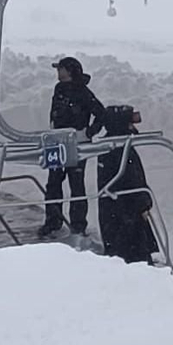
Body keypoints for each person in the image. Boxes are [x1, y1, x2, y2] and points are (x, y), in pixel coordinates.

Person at [38, 55, 104, 240]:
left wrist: (89, 132)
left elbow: (101, 113)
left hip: (77, 143)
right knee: (53, 183)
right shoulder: (58, 88)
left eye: (61, 69)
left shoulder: (83, 92)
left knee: (76, 184)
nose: (58, 72)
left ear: (70, 71)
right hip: (56, 141)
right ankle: (53, 221)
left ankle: (78, 225)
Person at [96, 104, 158, 264]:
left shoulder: (111, 146)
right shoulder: (120, 149)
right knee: (133, 255)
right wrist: (143, 203)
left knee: (120, 252)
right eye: (130, 122)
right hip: (126, 214)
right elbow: (133, 179)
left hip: (116, 213)